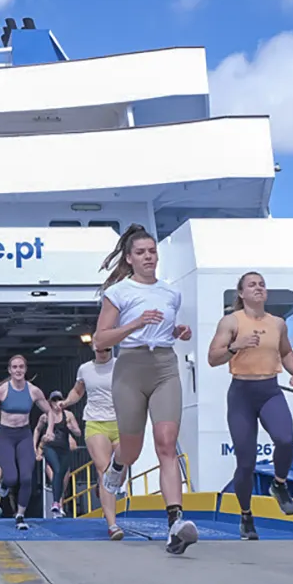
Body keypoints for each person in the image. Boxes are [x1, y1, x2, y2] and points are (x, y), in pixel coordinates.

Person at [93, 224, 197, 555]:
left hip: (165, 366)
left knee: (166, 444)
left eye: (152, 251)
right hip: (130, 369)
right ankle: (118, 466)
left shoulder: (171, 292)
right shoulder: (119, 292)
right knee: (132, 449)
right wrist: (136, 323)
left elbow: (163, 328)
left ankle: (176, 524)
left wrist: (178, 331)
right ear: (130, 258)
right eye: (141, 252)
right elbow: (100, 339)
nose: (149, 256)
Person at [207, 271, 293, 539]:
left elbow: (285, 352)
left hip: (270, 390)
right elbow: (212, 358)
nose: (259, 288)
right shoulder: (231, 322)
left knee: (285, 440)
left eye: (262, 284)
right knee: (246, 461)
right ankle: (246, 516)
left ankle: (279, 484)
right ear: (241, 293)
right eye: (252, 285)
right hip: (241, 393)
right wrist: (235, 346)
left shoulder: (278, 323)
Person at [0, 355, 56, 531]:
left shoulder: (33, 391)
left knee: (26, 477)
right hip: (6, 435)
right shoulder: (1, 391)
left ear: (25, 369)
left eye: (21, 367)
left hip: (24, 435)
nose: (18, 370)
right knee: (11, 477)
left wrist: (50, 430)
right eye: (14, 367)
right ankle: (6, 485)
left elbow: (50, 411)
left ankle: (20, 515)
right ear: (9, 370)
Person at [62, 343, 123, 539]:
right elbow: (78, 391)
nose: (103, 353)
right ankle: (113, 525)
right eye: (99, 350)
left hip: (122, 422)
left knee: (119, 474)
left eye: (107, 349)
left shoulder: (121, 364)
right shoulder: (85, 369)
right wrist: (66, 402)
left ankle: (102, 485)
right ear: (94, 348)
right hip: (96, 422)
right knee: (105, 471)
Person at [34, 391, 82, 519]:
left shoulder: (68, 415)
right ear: (49, 402)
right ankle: (55, 503)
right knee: (56, 470)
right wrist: (35, 447)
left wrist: (72, 428)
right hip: (50, 447)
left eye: (58, 400)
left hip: (64, 449)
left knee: (62, 477)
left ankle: (58, 505)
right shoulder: (45, 416)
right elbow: (37, 430)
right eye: (53, 400)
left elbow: (78, 433)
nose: (56, 403)